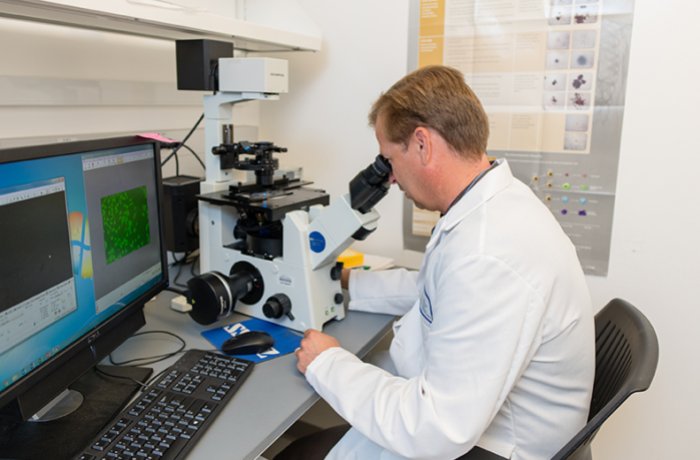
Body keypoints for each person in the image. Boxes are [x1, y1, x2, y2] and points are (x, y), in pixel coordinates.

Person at [279, 65, 595, 460]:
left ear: (423, 144)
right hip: (481, 420)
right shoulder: (492, 206)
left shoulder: (487, 253)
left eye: (389, 160)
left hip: (492, 447)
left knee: (295, 454)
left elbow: (434, 429)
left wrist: (326, 362)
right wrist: (343, 284)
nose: (389, 179)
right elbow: (431, 288)